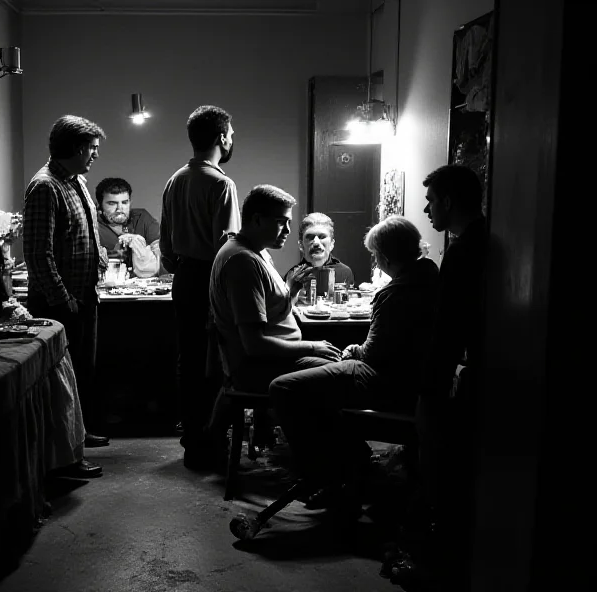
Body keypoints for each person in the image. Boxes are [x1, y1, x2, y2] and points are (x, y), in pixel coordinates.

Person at [269, 215, 439, 507]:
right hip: (413, 380)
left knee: (283, 388)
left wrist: (354, 351)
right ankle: (352, 459)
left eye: (375, 254)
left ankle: (321, 475)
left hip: (385, 380)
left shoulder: (396, 291)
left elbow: (374, 354)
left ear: (385, 256)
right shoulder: (431, 275)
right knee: (315, 368)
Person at [388, 165, 488, 591]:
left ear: (448, 200)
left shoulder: (466, 250)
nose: (427, 209)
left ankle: (433, 563)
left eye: (431, 201)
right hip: (462, 372)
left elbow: (448, 329)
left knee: (440, 473)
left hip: (453, 377)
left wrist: (432, 387)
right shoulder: (479, 241)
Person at [208, 185, 341, 456]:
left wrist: (290, 289)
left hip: (273, 360)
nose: (289, 231)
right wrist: (312, 347)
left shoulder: (256, 252)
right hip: (260, 367)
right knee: (339, 375)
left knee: (339, 365)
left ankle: (325, 453)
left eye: (289, 222)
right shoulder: (242, 262)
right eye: (281, 222)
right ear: (257, 220)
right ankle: (323, 459)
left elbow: (270, 312)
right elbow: (255, 344)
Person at [23, 114, 111, 466]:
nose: (95, 155)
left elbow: (81, 232)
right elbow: (37, 254)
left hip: (84, 297)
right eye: (92, 148)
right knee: (58, 382)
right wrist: (64, 300)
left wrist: (99, 256)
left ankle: (79, 434)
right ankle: (65, 458)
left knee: (80, 375)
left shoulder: (76, 181)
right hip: (59, 304)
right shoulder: (45, 186)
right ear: (75, 148)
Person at [159, 105, 242, 469]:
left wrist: (180, 262)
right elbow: (227, 247)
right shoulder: (222, 183)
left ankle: (192, 438)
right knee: (215, 361)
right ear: (222, 138)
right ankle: (211, 442)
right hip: (212, 279)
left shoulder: (175, 179)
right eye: (231, 133)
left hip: (184, 277)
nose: (232, 138)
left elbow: (165, 244)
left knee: (188, 360)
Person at [95, 177, 162, 276]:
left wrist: (140, 246)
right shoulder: (93, 226)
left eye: (124, 202)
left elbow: (162, 252)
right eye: (112, 203)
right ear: (99, 205)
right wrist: (116, 252)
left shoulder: (141, 218)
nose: (119, 209)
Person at [283, 213, 355, 299]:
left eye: (322, 237)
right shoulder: (293, 276)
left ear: (332, 244)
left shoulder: (345, 273)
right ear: (301, 245)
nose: (316, 242)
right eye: (310, 237)